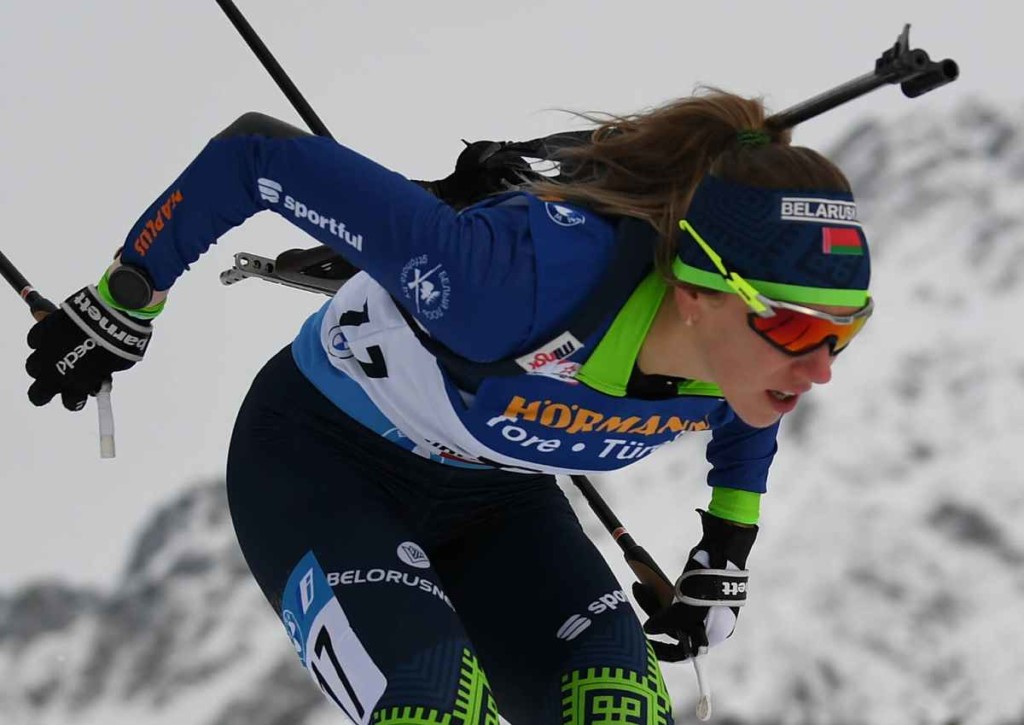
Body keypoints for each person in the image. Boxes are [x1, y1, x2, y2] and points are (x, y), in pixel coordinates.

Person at [24, 89, 873, 724]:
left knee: (618, 707)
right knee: (433, 707)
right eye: (794, 326)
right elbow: (256, 154)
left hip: (500, 501)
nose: (819, 368)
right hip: (325, 465)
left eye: (844, 331)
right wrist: (125, 298)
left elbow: (747, 425)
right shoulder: (510, 283)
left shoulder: (743, 368)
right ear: (697, 292)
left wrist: (726, 548)